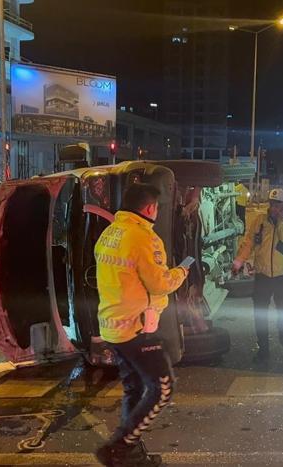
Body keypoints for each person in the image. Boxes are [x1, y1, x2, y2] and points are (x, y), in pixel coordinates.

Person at [94, 183, 190, 467]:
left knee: (134, 388)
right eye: (157, 208)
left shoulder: (109, 233)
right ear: (150, 208)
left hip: (112, 326)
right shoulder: (144, 238)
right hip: (136, 329)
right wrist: (182, 271)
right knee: (162, 387)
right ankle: (120, 447)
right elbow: (160, 283)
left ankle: (131, 455)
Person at [232, 188, 283, 361]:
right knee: (260, 313)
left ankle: (282, 328)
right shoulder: (260, 221)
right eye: (272, 204)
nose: (274, 208)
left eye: (278, 204)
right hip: (263, 275)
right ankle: (263, 348)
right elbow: (249, 242)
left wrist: (281, 224)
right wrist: (239, 261)